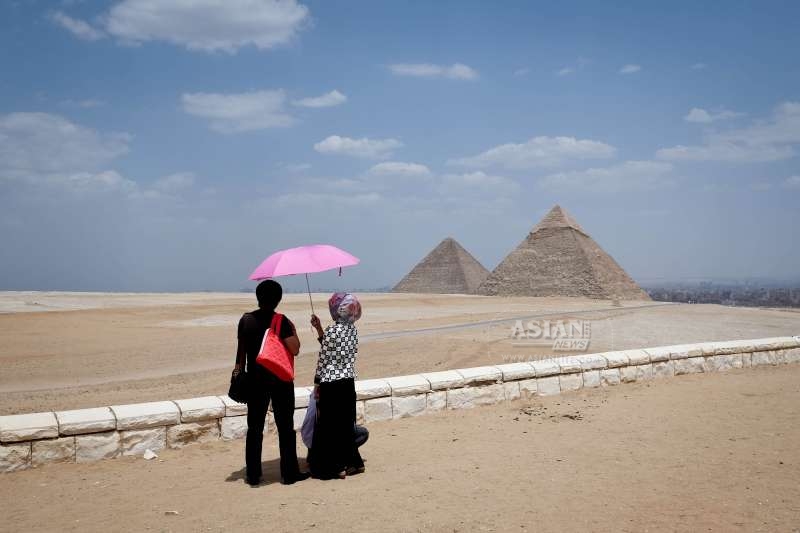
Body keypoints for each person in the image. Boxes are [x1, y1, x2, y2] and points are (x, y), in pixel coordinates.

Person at [233, 279, 309, 486]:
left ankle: (253, 475)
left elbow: (241, 350)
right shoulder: (281, 321)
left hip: (255, 379)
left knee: (254, 428)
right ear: (278, 299)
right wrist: (293, 331)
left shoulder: (245, 320)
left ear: (258, 297)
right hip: (280, 380)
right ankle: (289, 473)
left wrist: (238, 372)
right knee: (285, 428)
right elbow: (295, 349)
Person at [308, 292, 365, 479]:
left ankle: (336, 467)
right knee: (346, 425)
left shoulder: (333, 331)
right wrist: (319, 328)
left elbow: (324, 358)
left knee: (329, 427)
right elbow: (333, 348)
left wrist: (317, 384)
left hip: (330, 384)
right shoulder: (353, 331)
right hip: (348, 383)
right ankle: (355, 463)